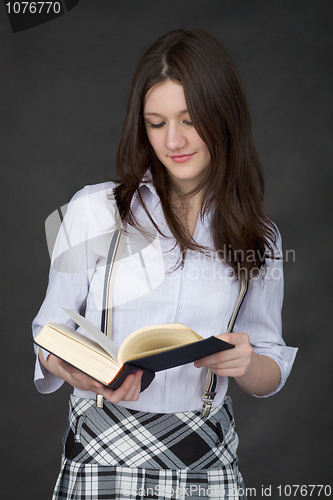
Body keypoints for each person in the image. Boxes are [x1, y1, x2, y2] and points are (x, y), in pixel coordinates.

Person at [32, 28, 297, 500]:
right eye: (156, 123)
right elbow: (49, 333)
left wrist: (246, 362)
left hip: (206, 462)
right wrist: (76, 370)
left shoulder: (259, 235)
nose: (173, 140)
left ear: (224, 118)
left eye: (190, 120)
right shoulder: (96, 211)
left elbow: (270, 365)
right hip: (101, 455)